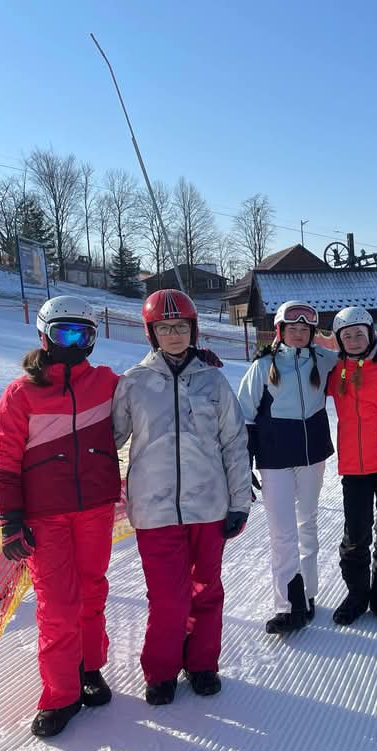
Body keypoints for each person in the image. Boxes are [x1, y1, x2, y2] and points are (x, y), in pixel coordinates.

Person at [112, 290, 252, 706]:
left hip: (208, 506)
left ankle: (203, 663)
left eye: (181, 326)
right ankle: (161, 670)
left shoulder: (213, 381)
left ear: (193, 329)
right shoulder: (134, 382)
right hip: (154, 510)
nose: (174, 334)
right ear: (151, 333)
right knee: (169, 597)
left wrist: (239, 502)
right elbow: (108, 438)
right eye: (164, 327)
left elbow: (234, 442)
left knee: (205, 590)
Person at [0, 296, 122, 737]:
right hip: (45, 516)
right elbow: (5, 460)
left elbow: (151, 388)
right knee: (58, 606)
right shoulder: (21, 394)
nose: (73, 343)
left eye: (82, 335)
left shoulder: (105, 382)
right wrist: (10, 519)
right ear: (44, 336)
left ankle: (89, 668)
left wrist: (193, 356)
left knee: (92, 591)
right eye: (64, 333)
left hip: (95, 508)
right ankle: (60, 694)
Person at [238, 301, 338, 634]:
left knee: (307, 524)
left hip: (312, 455)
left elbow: (359, 352)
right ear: (280, 331)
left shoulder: (323, 360)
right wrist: (245, 460)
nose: (298, 334)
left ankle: (307, 594)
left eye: (304, 329)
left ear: (312, 333)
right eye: (292, 328)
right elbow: (244, 414)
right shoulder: (263, 365)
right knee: (282, 531)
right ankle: (287, 604)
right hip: (275, 457)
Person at [325, 306, 377, 626]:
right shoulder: (336, 370)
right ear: (339, 340)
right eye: (347, 336)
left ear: (371, 334)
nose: (354, 340)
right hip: (353, 468)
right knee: (355, 534)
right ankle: (357, 594)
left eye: (360, 333)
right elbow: (305, 367)